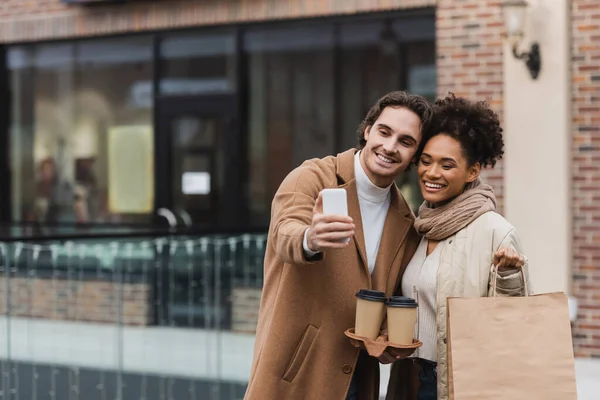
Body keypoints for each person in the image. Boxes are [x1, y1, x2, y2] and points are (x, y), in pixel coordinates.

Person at [244, 91, 433, 400]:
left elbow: (388, 298)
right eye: (384, 132)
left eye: (405, 141)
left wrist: (386, 341)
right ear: (368, 130)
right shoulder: (312, 177)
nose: (390, 146)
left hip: (357, 378)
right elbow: (284, 232)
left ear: (414, 154)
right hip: (296, 373)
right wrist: (310, 239)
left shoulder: (405, 220)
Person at [385, 93, 532, 400]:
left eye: (447, 164)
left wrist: (508, 279)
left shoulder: (495, 231)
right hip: (409, 378)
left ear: (472, 171)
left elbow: (515, 326)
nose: (432, 173)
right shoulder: (420, 225)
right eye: (425, 161)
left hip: (459, 384)